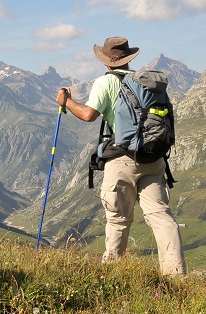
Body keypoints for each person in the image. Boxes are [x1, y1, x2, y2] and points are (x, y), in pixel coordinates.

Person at [56, 36, 186, 276]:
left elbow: (88, 115)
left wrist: (67, 101)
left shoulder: (106, 83)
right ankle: (176, 275)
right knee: (161, 216)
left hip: (122, 159)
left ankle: (113, 275)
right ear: (128, 60)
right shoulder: (144, 82)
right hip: (154, 159)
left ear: (107, 62)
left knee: (118, 220)